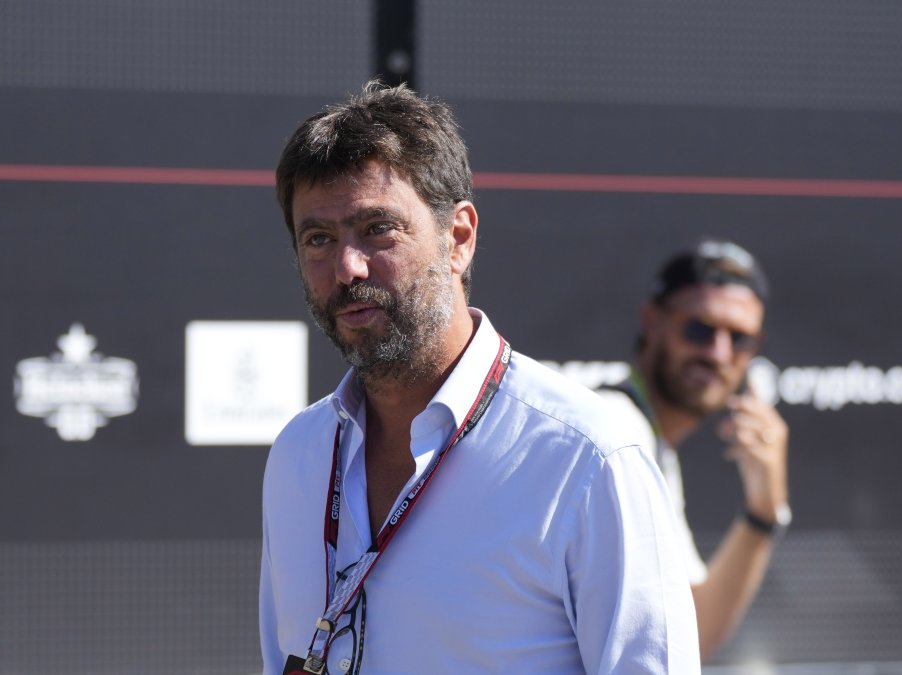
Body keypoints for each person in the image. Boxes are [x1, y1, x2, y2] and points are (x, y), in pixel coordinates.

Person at [259, 80, 700, 674]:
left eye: (377, 230)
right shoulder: (299, 453)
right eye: (318, 238)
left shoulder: (589, 457)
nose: (347, 267)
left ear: (458, 238)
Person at [607, 239, 790, 660]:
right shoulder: (620, 430)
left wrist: (764, 509)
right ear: (653, 322)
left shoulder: (650, 443)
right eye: (699, 329)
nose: (718, 353)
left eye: (740, 339)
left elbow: (693, 630)